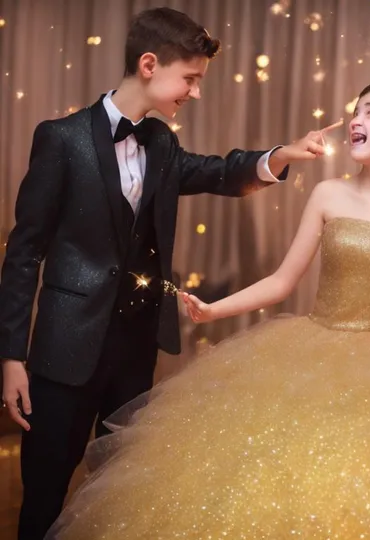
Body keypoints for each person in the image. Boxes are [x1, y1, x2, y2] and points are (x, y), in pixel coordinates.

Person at [46, 82, 370, 539]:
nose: (355, 120)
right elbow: (282, 281)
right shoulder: (329, 193)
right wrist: (213, 310)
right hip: (313, 355)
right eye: (355, 112)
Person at [0, 7, 336, 540]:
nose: (195, 93)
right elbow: (23, 253)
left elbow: (221, 171)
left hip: (136, 353)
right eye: (191, 79)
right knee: (43, 496)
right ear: (150, 64)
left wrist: (281, 155)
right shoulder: (60, 139)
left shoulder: (163, 143)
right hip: (62, 355)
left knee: (114, 498)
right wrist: (11, 356)